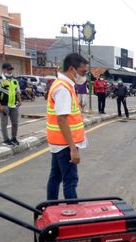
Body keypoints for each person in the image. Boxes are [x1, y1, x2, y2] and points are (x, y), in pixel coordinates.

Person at [46, 53, 89, 200]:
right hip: (65, 144)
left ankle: (49, 209)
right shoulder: (63, 89)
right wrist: (73, 149)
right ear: (72, 69)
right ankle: (72, 217)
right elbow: (62, 120)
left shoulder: (60, 84)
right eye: (83, 72)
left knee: (55, 177)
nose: (84, 76)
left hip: (58, 142)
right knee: (70, 182)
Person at [0, 63, 22, 146]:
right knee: (4, 123)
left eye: (11, 69)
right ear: (3, 69)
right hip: (4, 105)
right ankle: (6, 140)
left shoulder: (14, 80)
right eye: (8, 69)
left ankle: (14, 138)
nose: (10, 71)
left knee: (15, 123)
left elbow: (17, 91)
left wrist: (20, 101)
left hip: (14, 105)